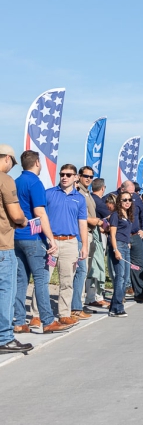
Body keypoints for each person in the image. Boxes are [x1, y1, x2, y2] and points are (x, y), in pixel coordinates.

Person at [13, 151, 66, 334]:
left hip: (17, 236)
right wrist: (51, 239)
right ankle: (48, 321)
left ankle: (19, 321)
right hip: (34, 238)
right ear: (37, 162)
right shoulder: (35, 183)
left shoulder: (16, 182)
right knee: (41, 280)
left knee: (21, 282)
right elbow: (40, 213)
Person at [0, 145, 34, 354]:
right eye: (12, 163)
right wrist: (23, 221)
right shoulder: (4, 179)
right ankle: (4, 337)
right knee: (6, 290)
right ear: (7, 159)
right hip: (3, 245)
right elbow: (15, 214)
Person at [45, 164, 89, 326]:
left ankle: (64, 313)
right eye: (62, 174)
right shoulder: (49, 194)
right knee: (43, 279)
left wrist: (84, 245)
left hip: (71, 242)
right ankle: (37, 314)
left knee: (67, 281)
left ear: (76, 177)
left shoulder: (80, 198)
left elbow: (82, 224)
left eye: (68, 175)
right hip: (51, 242)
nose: (64, 177)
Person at [72, 165, 101, 319]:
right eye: (86, 176)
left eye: (91, 177)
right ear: (79, 176)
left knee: (84, 271)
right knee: (80, 271)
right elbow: (79, 215)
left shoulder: (87, 192)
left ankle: (78, 304)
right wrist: (94, 221)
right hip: (81, 233)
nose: (88, 179)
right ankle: (75, 306)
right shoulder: (78, 192)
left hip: (89, 232)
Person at [119, 180, 143, 303]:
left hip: (135, 236)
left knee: (138, 265)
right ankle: (120, 295)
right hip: (121, 237)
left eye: (133, 194)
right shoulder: (114, 197)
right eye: (129, 194)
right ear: (122, 190)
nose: (131, 197)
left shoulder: (136, 198)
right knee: (121, 267)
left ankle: (140, 293)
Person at [85, 177, 110, 309]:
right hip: (96, 236)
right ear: (103, 188)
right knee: (96, 266)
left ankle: (93, 296)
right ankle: (93, 297)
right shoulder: (98, 202)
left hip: (94, 235)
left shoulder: (91, 198)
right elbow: (109, 219)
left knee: (94, 266)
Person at [108, 192, 134, 318]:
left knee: (125, 277)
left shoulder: (128, 215)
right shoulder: (115, 215)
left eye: (129, 199)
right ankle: (118, 307)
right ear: (120, 201)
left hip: (125, 246)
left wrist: (128, 242)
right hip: (118, 246)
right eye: (124, 200)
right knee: (120, 277)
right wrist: (115, 249)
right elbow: (112, 234)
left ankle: (113, 307)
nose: (127, 202)